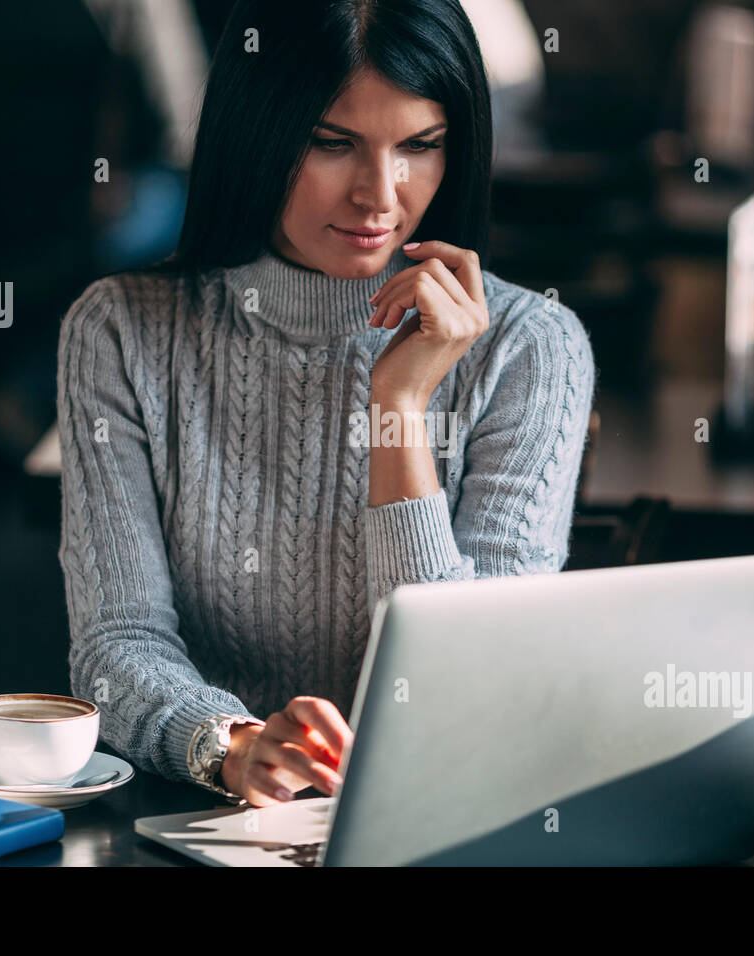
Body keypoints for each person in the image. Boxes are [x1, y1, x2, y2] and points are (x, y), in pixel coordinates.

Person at [57, 0, 596, 808]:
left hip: (441, 819)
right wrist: (229, 746)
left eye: (421, 146)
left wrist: (399, 407)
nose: (380, 196)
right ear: (259, 132)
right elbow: (116, 640)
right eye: (332, 143)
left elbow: (469, 694)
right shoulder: (121, 330)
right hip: (206, 815)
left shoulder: (532, 346)